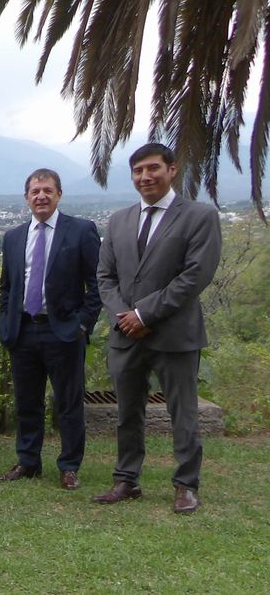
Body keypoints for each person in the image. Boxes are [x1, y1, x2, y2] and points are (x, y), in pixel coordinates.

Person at [92, 143, 221, 514]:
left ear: (172, 169)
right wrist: (125, 316)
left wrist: (144, 315)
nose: (145, 177)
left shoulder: (199, 216)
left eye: (153, 168)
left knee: (183, 412)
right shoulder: (119, 220)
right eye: (138, 171)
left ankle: (186, 485)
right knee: (127, 411)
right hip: (126, 335)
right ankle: (126, 479)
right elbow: (105, 276)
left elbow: (195, 276)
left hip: (175, 334)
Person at [0, 169, 101, 489]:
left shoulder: (81, 231)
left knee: (68, 403)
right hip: (23, 331)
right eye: (35, 191)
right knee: (27, 402)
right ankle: (28, 462)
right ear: (26, 197)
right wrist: (6, 323)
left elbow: (97, 284)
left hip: (64, 332)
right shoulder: (14, 237)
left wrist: (82, 324)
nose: (41, 196)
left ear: (59, 194)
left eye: (47, 190)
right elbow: (8, 288)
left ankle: (69, 466)